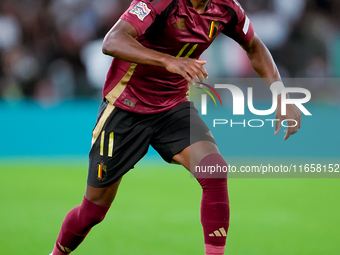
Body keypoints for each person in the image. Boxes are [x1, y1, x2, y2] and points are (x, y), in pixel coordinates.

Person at [50, 0, 301, 254]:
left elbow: (254, 46)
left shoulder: (227, 8)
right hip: (126, 109)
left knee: (214, 171)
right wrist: (167, 61)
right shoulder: (160, 2)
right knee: (93, 210)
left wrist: (281, 94)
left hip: (172, 107)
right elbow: (112, 41)